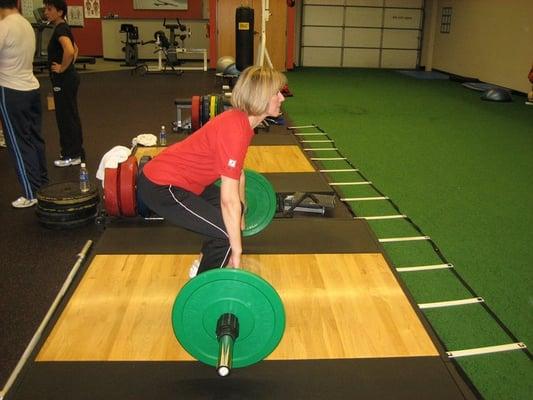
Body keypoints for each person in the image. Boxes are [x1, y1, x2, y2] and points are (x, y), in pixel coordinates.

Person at [138, 66, 286, 277]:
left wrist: (241, 214)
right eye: (276, 93)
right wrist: (237, 250)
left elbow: (239, 175)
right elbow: (228, 200)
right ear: (260, 97)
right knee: (226, 233)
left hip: (187, 182)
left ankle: (202, 263)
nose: (281, 98)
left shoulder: (242, 123)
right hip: (162, 186)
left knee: (228, 221)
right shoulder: (235, 129)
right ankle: (203, 289)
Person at [0, 0, 49, 208]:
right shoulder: (25, 24)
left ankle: (31, 193)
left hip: (11, 90)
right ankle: (43, 185)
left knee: (19, 143)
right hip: (31, 88)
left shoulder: (4, 26)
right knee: (34, 138)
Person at [43, 0, 85, 167]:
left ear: (60, 12)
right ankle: (76, 152)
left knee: (65, 117)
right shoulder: (64, 27)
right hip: (69, 79)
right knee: (70, 115)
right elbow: (76, 48)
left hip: (64, 80)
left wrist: (62, 68)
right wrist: (69, 65)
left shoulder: (60, 29)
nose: (46, 12)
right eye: (46, 9)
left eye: (49, 9)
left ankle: (71, 155)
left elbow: (69, 50)